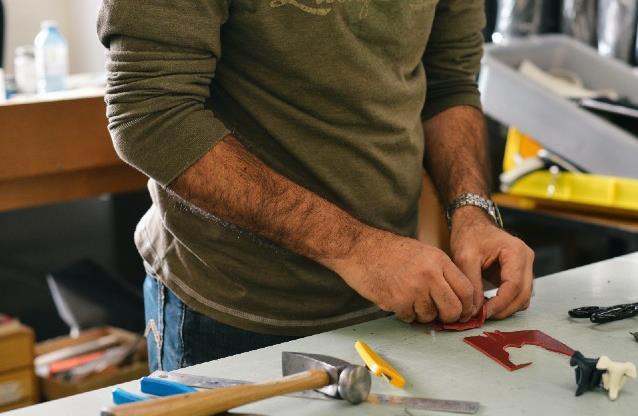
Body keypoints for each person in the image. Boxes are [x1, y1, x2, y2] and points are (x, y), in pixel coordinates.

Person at [97, 0, 534, 371]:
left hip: (390, 303)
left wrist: (472, 212)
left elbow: (449, 82)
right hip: (233, 312)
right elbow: (151, 116)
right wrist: (356, 248)